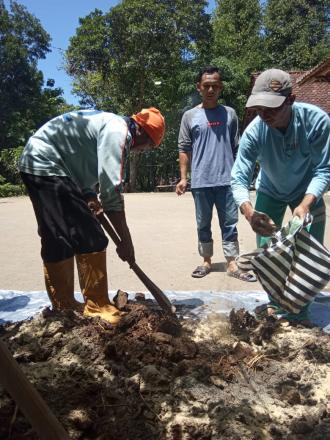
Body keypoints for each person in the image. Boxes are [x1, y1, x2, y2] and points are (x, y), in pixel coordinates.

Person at [19, 107, 165, 324]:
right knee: (89, 236)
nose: (143, 151)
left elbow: (80, 162)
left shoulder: (112, 124)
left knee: (58, 235)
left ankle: (64, 305)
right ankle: (94, 306)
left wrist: (88, 193)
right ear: (144, 134)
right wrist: (126, 241)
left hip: (47, 163)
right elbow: (111, 191)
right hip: (45, 163)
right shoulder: (119, 132)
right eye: (149, 146)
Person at [231, 68, 330, 321]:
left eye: (272, 108)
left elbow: (324, 170)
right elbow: (238, 176)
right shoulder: (254, 132)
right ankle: (275, 306)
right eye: (259, 109)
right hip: (270, 190)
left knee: (308, 253)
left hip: (308, 193)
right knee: (269, 254)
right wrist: (250, 213)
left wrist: (306, 204)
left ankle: (299, 310)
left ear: (291, 100)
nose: (265, 115)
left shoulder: (316, 122)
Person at [176, 66, 256, 282]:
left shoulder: (229, 114)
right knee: (203, 223)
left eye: (215, 85)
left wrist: (241, 177)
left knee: (229, 223)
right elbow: (184, 148)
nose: (210, 89)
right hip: (201, 181)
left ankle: (232, 263)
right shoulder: (189, 116)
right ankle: (206, 261)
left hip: (227, 180)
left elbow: (237, 147)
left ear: (220, 88)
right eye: (206, 85)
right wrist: (184, 178)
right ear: (199, 87)